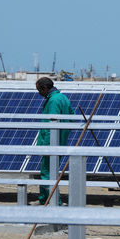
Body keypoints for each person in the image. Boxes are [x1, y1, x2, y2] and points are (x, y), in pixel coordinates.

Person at [35, 77, 75, 205]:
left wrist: (46, 145)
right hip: (60, 141)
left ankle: (53, 201)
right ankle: (44, 199)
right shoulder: (63, 98)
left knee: (47, 173)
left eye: (39, 90)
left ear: (44, 88)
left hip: (51, 143)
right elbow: (73, 117)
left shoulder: (53, 101)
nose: (39, 93)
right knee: (49, 171)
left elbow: (51, 124)